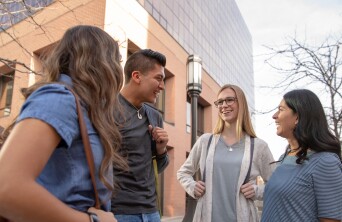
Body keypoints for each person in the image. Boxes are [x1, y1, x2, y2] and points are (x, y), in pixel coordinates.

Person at [0, 25, 127, 222]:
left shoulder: (80, 105)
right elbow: (5, 188)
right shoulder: (60, 97)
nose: (118, 69)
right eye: (116, 60)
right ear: (101, 60)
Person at [177, 84, 275, 222]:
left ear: (240, 103)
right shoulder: (205, 141)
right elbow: (183, 172)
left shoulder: (259, 146)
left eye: (229, 100)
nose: (224, 105)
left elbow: (276, 185)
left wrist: (257, 190)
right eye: (220, 102)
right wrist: (192, 186)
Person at [261, 89, 342, 222]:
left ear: (298, 117)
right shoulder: (284, 157)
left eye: (281, 109)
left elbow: (331, 219)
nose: (274, 116)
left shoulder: (325, 162)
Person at [111, 49, 169, 222]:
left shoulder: (154, 116)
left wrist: (161, 149)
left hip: (151, 212)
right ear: (137, 76)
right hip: (119, 212)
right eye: (158, 78)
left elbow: (160, 166)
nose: (162, 86)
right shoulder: (106, 109)